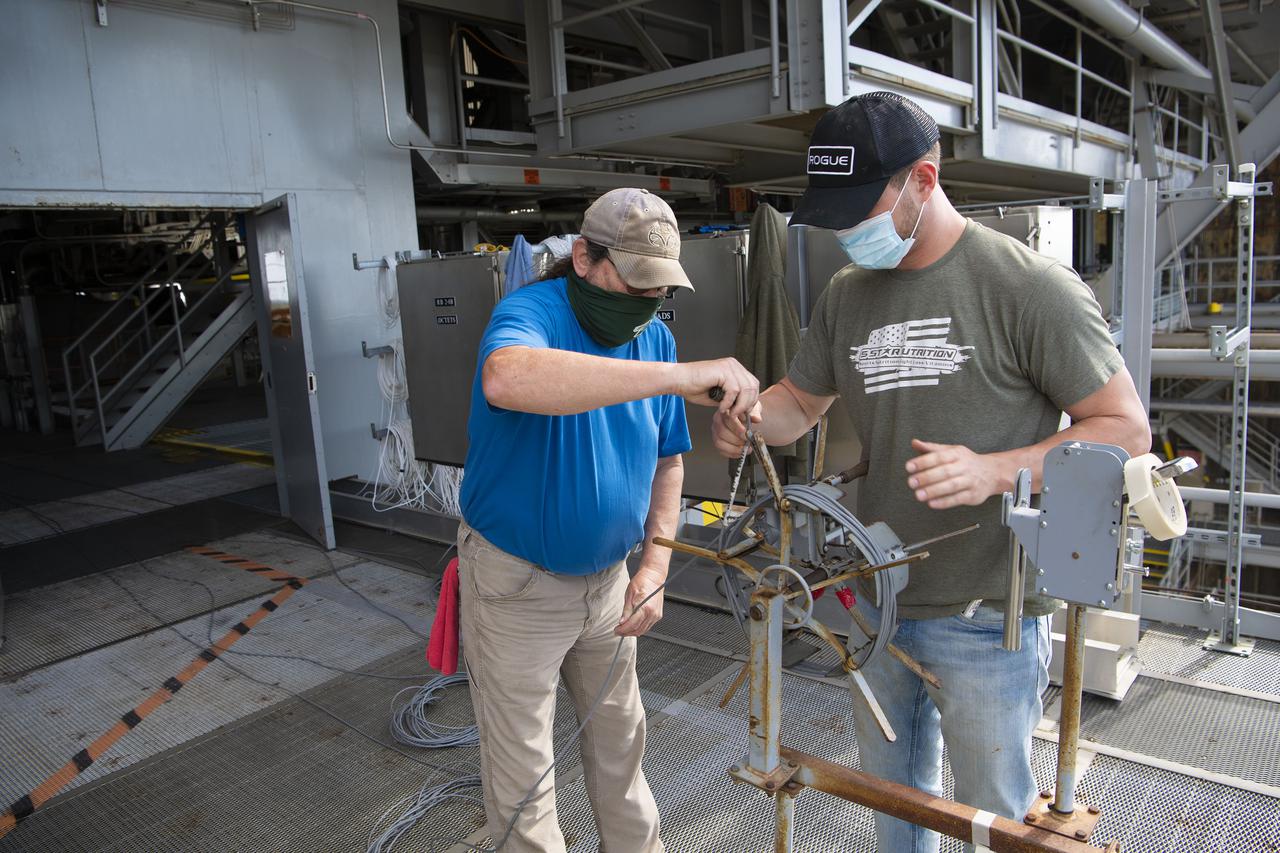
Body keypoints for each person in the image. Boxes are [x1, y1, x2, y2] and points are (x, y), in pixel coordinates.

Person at [711, 92, 1150, 852]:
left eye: (861, 207)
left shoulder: (1027, 287)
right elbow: (799, 402)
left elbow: (1125, 431)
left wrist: (995, 469)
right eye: (836, 213)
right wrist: (750, 418)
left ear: (924, 177)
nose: (849, 230)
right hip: (876, 602)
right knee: (894, 806)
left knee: (993, 820)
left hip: (985, 614)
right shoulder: (848, 294)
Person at [457, 187, 760, 853]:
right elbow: (507, 379)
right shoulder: (528, 313)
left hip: (610, 585)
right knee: (524, 776)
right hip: (518, 585)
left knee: (622, 747)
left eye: (657, 290)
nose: (643, 304)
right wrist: (671, 376)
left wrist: (654, 565)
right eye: (633, 282)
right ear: (585, 257)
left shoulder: (653, 337)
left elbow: (668, 465)